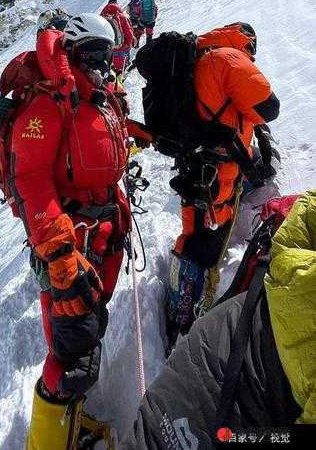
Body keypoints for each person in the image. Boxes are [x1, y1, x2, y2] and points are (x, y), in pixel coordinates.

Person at [12, 13, 132, 448]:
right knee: (68, 351)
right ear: (73, 54)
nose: (105, 64)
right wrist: (60, 254)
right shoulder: (50, 102)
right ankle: (47, 437)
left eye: (108, 55)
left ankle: (72, 423)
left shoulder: (97, 99)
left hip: (102, 235)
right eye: (95, 55)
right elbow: (30, 179)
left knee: (88, 333)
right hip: (69, 244)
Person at [121, 190, 315, 449]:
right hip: (229, 388)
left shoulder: (294, 253)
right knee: (195, 253)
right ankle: (176, 318)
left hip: (217, 341)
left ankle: (178, 320)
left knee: (199, 253)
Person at [134, 23, 280, 343]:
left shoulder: (196, 60)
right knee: (204, 244)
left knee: (193, 234)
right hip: (220, 174)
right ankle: (185, 322)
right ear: (248, 43)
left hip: (194, 166)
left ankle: (177, 313)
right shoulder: (230, 59)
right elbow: (269, 107)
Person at [101, 0, 135, 74]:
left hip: (108, 50)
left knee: (109, 72)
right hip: (121, 49)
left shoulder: (101, 18)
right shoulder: (122, 17)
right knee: (119, 72)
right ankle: (122, 74)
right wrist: (128, 46)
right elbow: (129, 32)